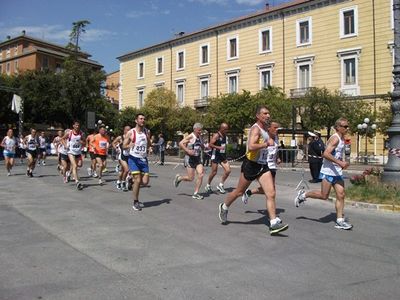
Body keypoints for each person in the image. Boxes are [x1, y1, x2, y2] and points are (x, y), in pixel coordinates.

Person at [218, 106, 288, 235]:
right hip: (251, 164)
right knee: (239, 192)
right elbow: (251, 146)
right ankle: (224, 206)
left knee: (271, 193)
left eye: (268, 113)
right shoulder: (256, 129)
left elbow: (270, 142)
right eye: (265, 113)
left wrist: (272, 145)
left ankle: (273, 223)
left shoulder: (266, 129)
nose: (268, 115)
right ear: (258, 116)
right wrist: (266, 144)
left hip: (263, 165)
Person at [294, 117, 353, 230]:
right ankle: (303, 195)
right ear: (338, 127)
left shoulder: (342, 138)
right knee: (324, 195)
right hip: (328, 171)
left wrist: (343, 162)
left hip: (337, 172)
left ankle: (339, 221)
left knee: (341, 195)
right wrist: (340, 162)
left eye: (347, 126)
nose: (347, 128)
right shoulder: (335, 139)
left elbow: (337, 153)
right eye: (345, 126)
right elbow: (325, 154)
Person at [242, 121, 281, 204]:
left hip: (273, 165)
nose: (277, 130)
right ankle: (272, 214)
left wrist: (277, 158)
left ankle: (249, 192)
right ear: (269, 128)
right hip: (265, 165)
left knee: (269, 190)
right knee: (271, 191)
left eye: (278, 128)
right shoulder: (264, 137)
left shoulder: (276, 137)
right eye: (275, 128)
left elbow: (275, 149)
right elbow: (255, 147)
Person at [123, 113, 151, 211]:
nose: (143, 120)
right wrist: (129, 145)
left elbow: (149, 144)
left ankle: (131, 181)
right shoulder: (131, 132)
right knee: (138, 180)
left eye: (144, 119)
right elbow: (123, 146)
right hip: (133, 158)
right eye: (141, 119)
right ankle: (135, 202)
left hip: (143, 159)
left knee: (145, 182)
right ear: (136, 120)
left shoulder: (146, 132)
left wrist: (149, 145)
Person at [173, 123, 205, 200]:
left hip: (197, 158)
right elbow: (180, 143)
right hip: (190, 158)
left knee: (201, 174)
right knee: (191, 178)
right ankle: (179, 178)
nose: (200, 132)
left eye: (201, 130)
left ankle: (196, 193)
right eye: (199, 130)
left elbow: (201, 145)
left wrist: (202, 146)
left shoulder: (200, 136)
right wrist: (188, 150)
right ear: (194, 129)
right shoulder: (191, 136)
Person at [204, 123, 231, 194]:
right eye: (225, 129)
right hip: (215, 155)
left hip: (222, 156)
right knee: (214, 172)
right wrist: (218, 147)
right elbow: (210, 144)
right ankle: (208, 185)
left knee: (228, 170)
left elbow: (224, 145)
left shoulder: (225, 135)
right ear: (221, 128)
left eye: (227, 129)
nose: (226, 130)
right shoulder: (216, 135)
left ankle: (220, 185)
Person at [63, 121, 85, 190]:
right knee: (75, 166)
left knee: (79, 165)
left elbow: (84, 142)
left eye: (78, 125)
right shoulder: (69, 133)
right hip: (71, 152)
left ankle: (69, 173)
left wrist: (82, 143)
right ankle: (77, 182)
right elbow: (62, 139)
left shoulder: (81, 133)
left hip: (78, 152)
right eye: (76, 125)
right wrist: (65, 145)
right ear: (73, 126)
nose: (77, 126)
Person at [112, 125, 131, 191]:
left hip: (129, 156)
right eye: (127, 129)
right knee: (126, 170)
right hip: (121, 156)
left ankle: (118, 181)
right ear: (124, 130)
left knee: (123, 171)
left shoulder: (132, 137)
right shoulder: (120, 137)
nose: (129, 131)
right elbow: (113, 143)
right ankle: (123, 183)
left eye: (130, 130)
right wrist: (116, 149)